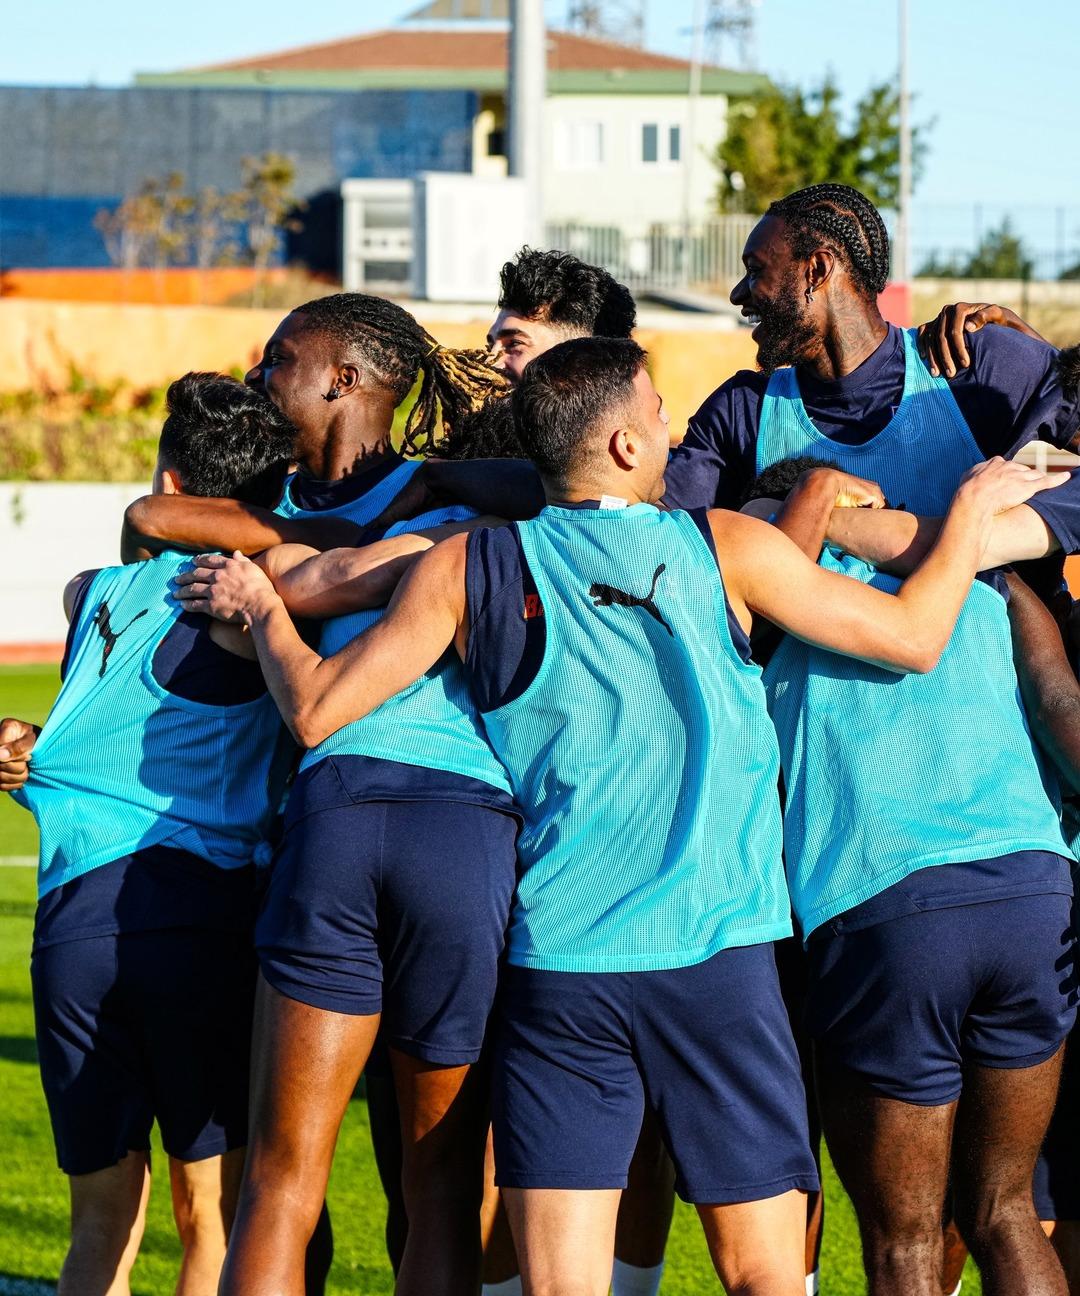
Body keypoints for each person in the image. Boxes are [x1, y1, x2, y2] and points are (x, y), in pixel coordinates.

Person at [175, 336, 1064, 1296]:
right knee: (767, 1275)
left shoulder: (468, 564)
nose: (674, 425)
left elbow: (313, 711)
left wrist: (264, 610)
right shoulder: (722, 543)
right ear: (627, 448)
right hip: (721, 962)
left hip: (562, 970)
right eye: (657, 408)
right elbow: (916, 639)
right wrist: (972, 510)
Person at [738, 454, 1076, 1296]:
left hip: (887, 908)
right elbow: (1062, 708)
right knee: (1002, 1208)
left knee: (905, 1245)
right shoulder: (990, 581)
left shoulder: (768, 599)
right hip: (1033, 894)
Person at [0, 373, 296, 1296]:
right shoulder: (257, 593)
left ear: (168, 483)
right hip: (196, 923)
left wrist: (28, 751)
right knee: (210, 1215)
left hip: (74, 924)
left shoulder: (91, 594)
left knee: (99, 1227)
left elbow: (102, 739)